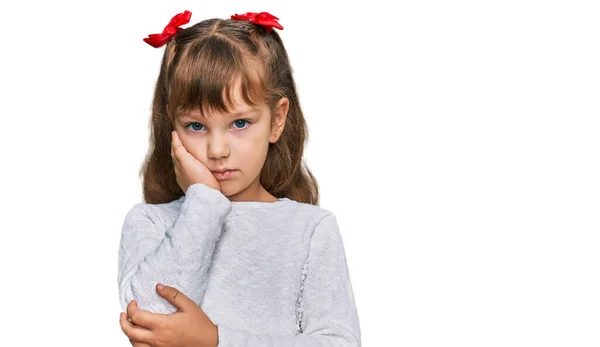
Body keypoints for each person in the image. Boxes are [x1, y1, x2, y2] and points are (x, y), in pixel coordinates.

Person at [117, 10, 361, 347]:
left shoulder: (310, 230)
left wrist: (215, 340)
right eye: (196, 126)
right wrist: (203, 201)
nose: (217, 150)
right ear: (172, 126)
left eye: (240, 123)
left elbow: (339, 343)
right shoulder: (149, 223)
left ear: (277, 120)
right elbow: (148, 318)